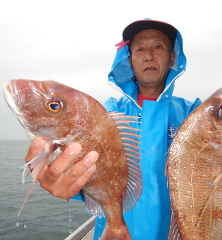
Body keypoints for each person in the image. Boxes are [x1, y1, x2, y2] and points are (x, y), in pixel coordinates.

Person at [25, 19, 201, 239]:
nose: (148, 55)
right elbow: (88, 174)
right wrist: (65, 180)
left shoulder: (195, 114)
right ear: (129, 60)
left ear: (172, 57)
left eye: (158, 46)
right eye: (139, 48)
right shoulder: (106, 114)